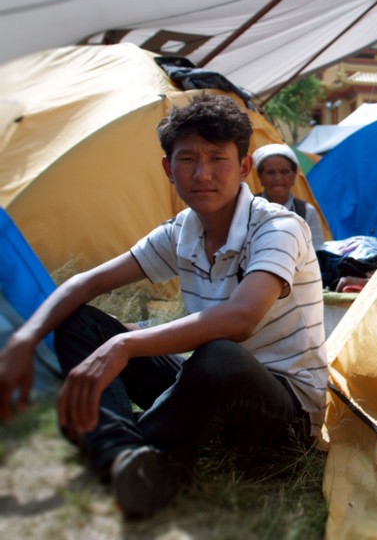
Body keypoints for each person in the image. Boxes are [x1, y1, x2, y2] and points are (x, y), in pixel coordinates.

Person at [0, 94, 327, 519]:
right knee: (79, 322)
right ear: (168, 170)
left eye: (218, 158)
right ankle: (128, 457)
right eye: (187, 159)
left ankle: (124, 449)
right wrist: (24, 340)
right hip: (208, 387)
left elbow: (241, 319)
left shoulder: (278, 227)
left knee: (219, 355)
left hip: (283, 411)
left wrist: (125, 345)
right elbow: (87, 283)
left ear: (244, 167)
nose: (202, 174)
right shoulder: (181, 231)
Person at [252, 144, 325, 249]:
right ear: (260, 177)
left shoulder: (306, 212)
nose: (277, 178)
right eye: (270, 172)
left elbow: (316, 250)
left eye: (284, 172)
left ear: (294, 176)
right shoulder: (248, 208)